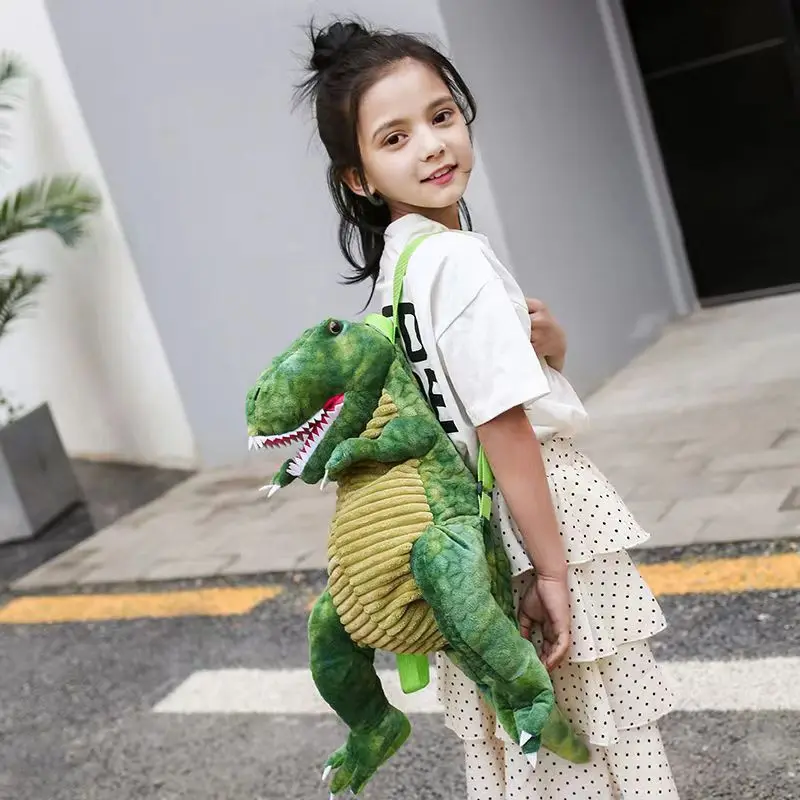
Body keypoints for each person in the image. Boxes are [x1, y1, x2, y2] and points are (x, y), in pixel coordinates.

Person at [296, 18, 679, 798]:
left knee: (530, 748)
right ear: (359, 179)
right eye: (396, 137)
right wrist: (552, 571)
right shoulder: (458, 258)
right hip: (535, 517)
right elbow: (504, 426)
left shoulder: (397, 272)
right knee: (595, 726)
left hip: (464, 538)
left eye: (441, 116)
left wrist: (551, 350)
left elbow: (453, 405)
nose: (432, 145)